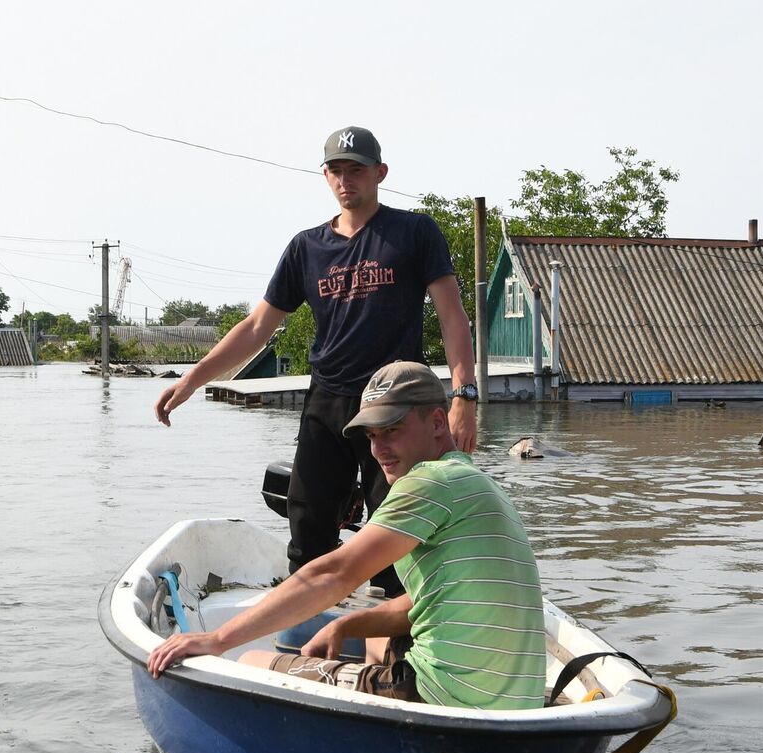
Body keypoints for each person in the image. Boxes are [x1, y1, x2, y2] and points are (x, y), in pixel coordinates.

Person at [153, 125, 480, 585]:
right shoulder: (307, 247)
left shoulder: (413, 232)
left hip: (395, 404)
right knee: (308, 533)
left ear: (380, 173)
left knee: (395, 538)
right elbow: (256, 327)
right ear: (326, 176)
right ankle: (309, 640)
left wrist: (463, 397)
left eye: (357, 170)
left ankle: (396, 649)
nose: (347, 180)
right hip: (327, 401)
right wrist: (193, 379)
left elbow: (452, 314)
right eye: (336, 170)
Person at [147, 361, 546, 711]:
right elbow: (427, 600)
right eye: (371, 436)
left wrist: (217, 640)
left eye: (392, 429)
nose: (379, 449)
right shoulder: (476, 482)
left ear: (438, 423)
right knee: (373, 640)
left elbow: (333, 575)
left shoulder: (427, 482)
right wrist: (346, 625)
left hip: (443, 697)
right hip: (514, 702)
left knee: (250, 660)